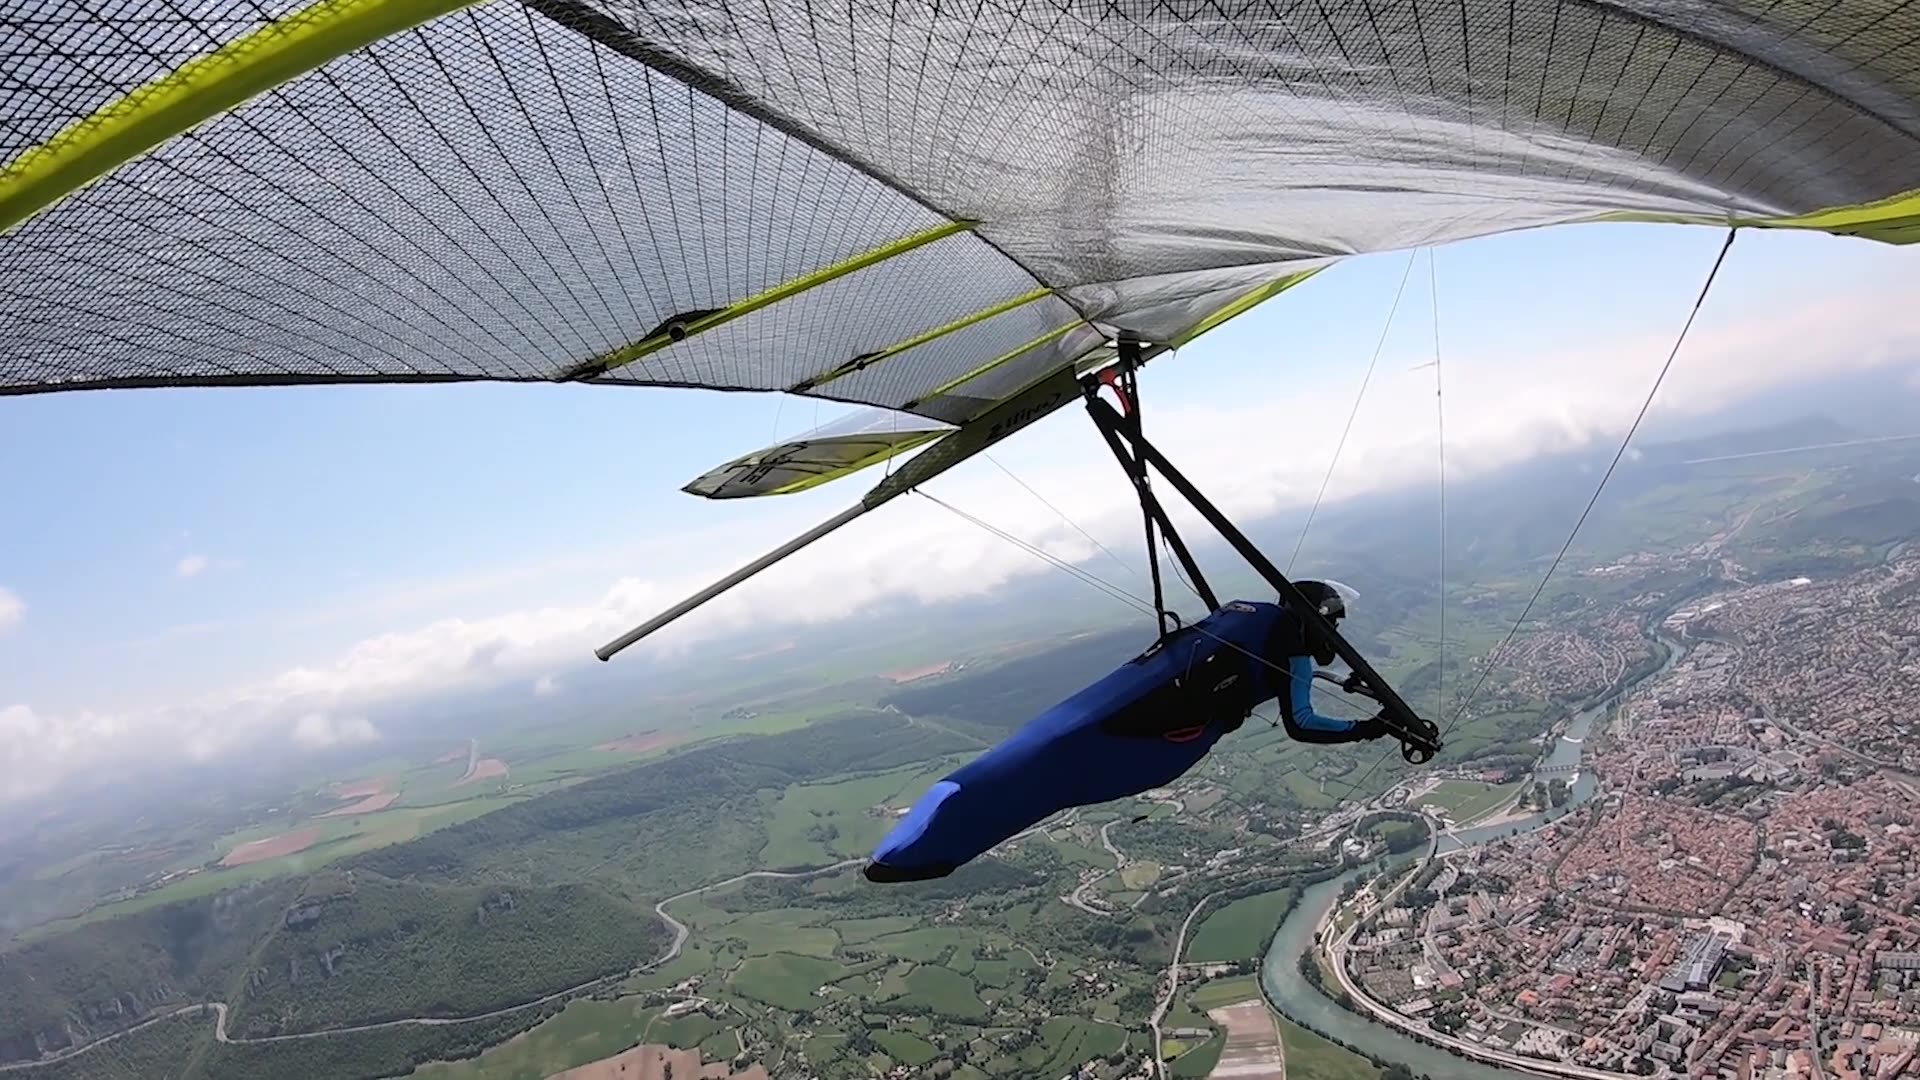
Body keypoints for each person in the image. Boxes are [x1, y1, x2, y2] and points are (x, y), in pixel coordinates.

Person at [865, 580, 1390, 883]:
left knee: (1037, 754)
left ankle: (921, 842)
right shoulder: (1291, 641)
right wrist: (1368, 729)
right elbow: (1302, 721)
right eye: (1333, 624)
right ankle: (923, 850)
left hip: (1116, 700)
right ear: (1317, 620)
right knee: (1052, 773)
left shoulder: (1246, 615)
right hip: (1158, 737)